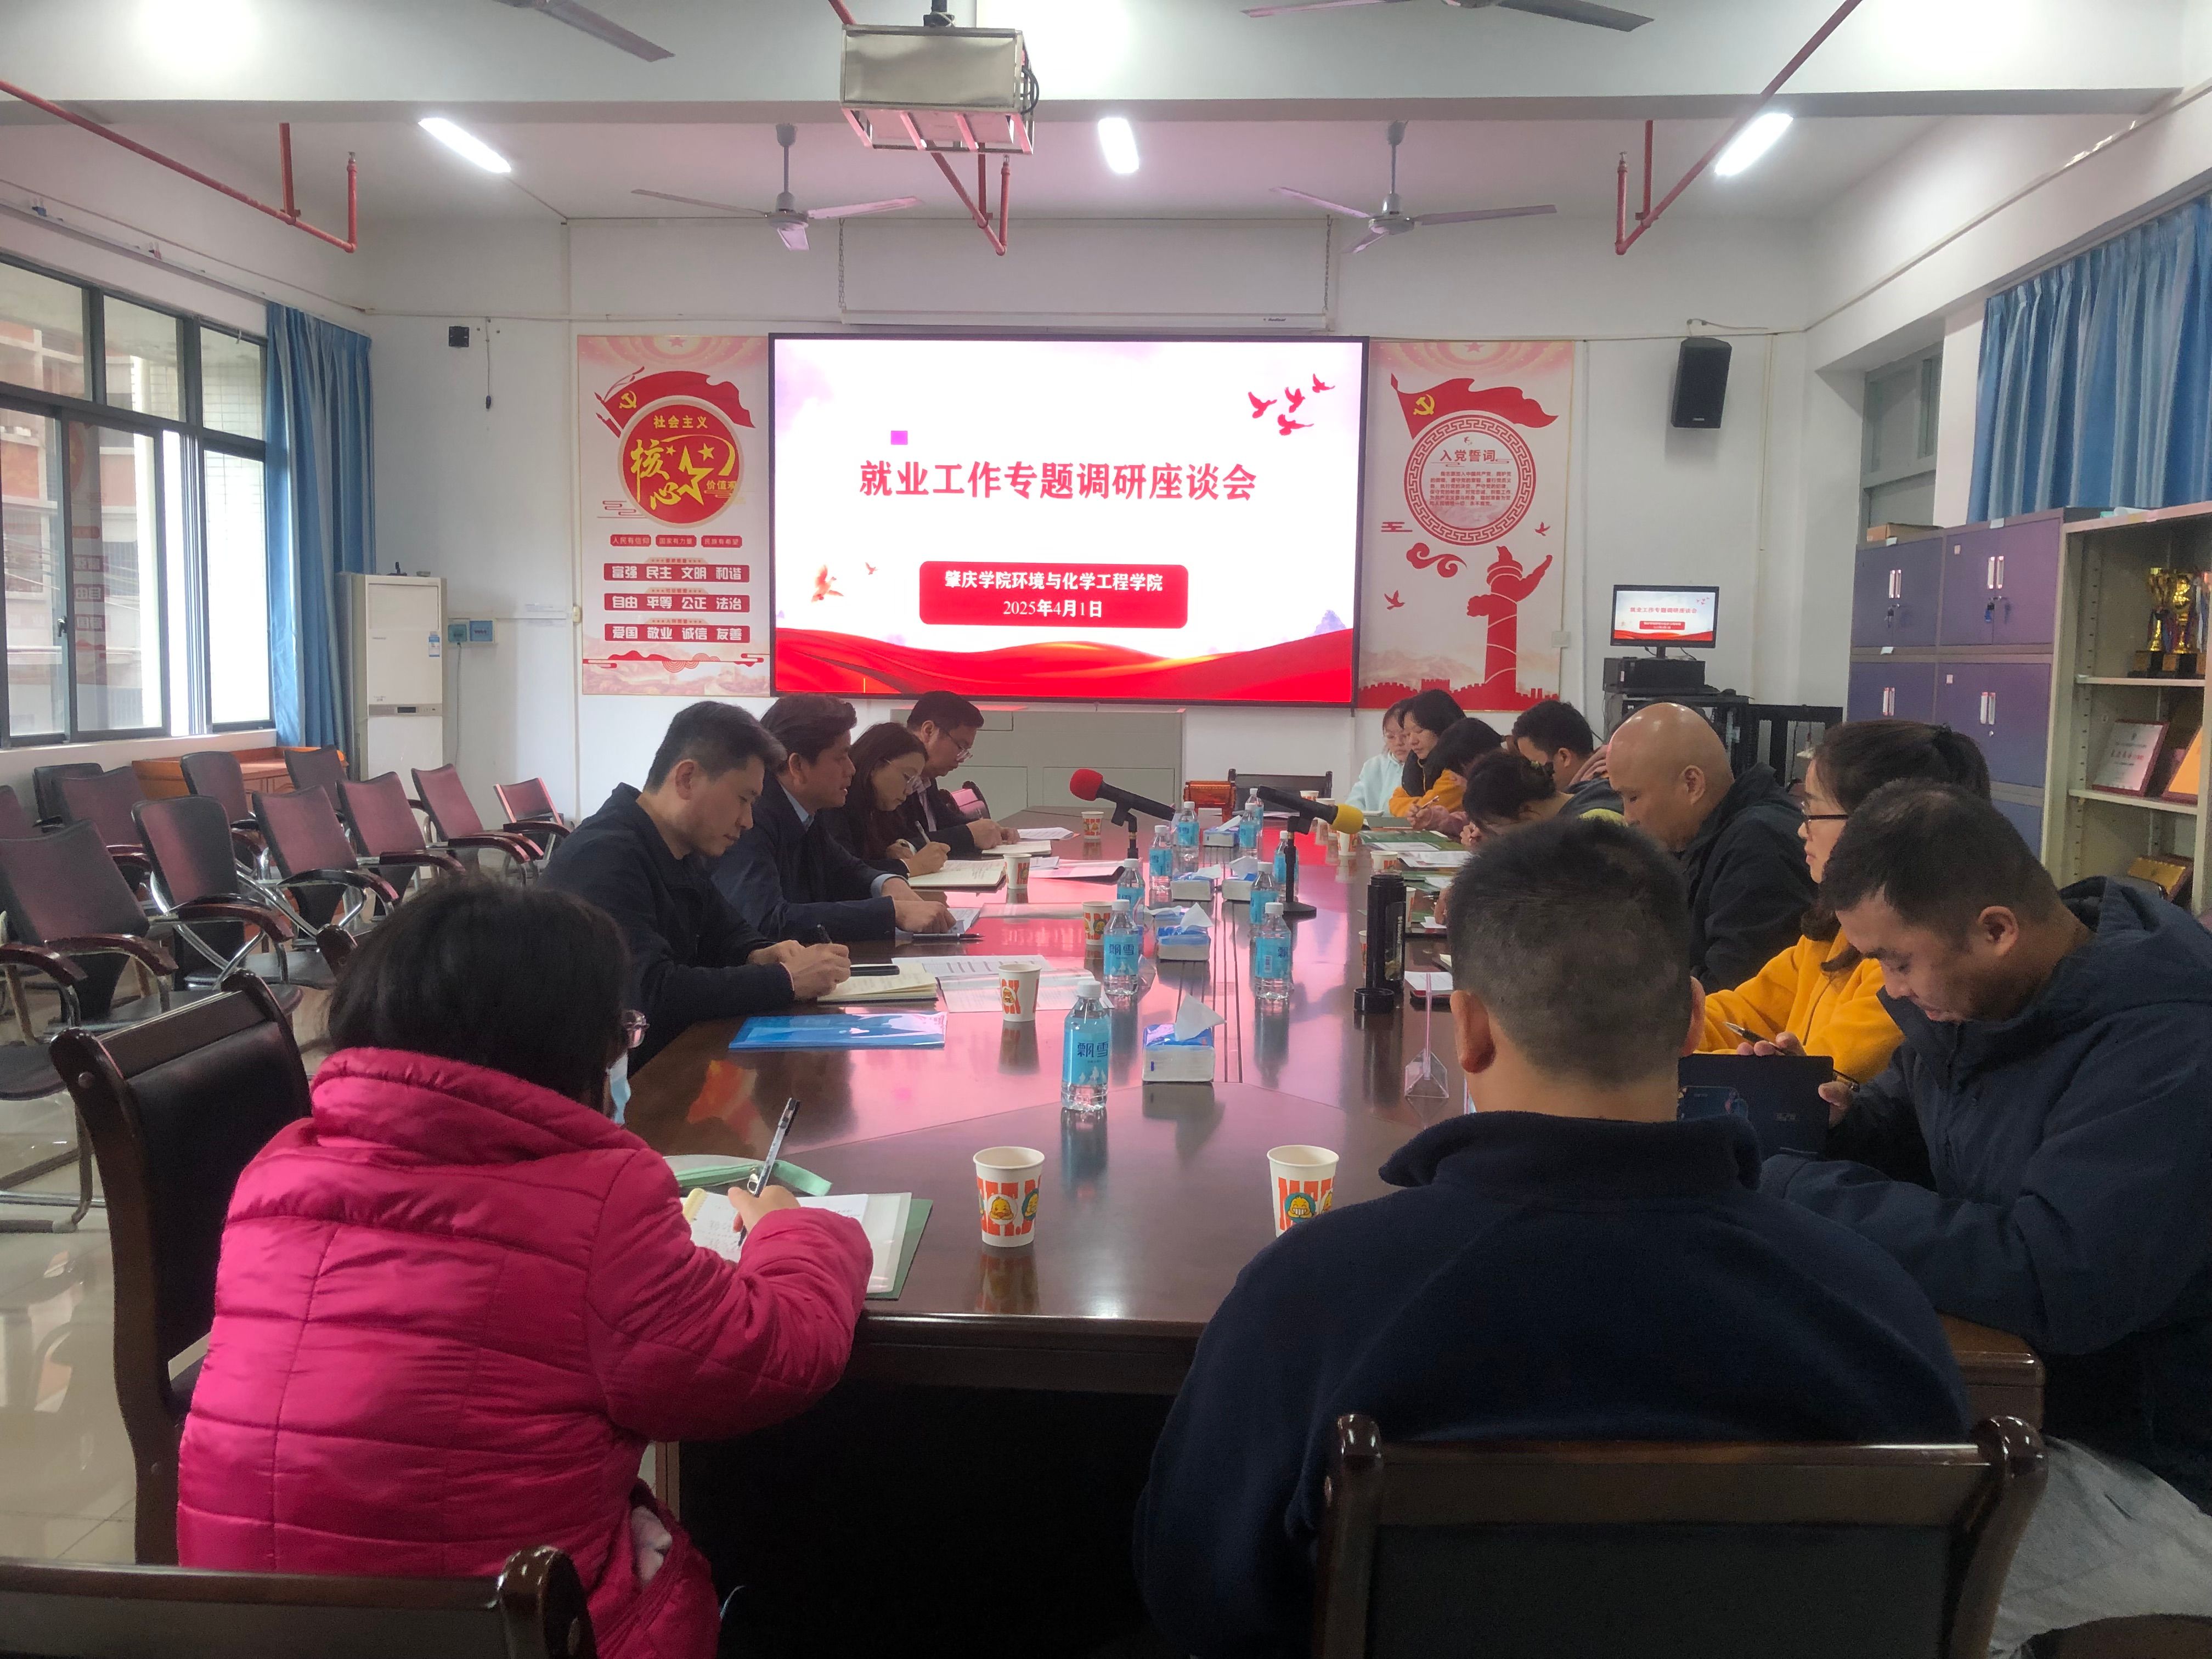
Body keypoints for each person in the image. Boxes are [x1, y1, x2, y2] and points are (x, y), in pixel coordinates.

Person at [1133, 817, 1970, 1659]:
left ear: (1468, 1027)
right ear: (1692, 1020)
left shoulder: (1312, 1297)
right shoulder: (1872, 1303)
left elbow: (1199, 1596)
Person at [177, 878, 872, 1659]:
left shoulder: (274, 1174)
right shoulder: (598, 1203)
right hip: (507, 1633)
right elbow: (775, 1356)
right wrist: (792, 1232)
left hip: (244, 1631)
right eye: (619, 1032)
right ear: (563, 1046)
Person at [1763, 783, 2212, 1652]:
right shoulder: (1987, 999)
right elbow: (1912, 1131)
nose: (1889, 986)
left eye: (1897, 961)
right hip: (2035, 1418)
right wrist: (1826, 1125)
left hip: (2158, 1468)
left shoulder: (2169, 1046)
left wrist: (1801, 1189)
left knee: (1846, 1596)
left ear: (1998, 928)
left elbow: (2058, 1278)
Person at [543, 701, 850, 1071]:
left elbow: (726, 932)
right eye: (743, 799)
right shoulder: (604, 857)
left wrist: (762, 953)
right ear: (687, 778)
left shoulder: (677, 847)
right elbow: (649, 994)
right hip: (601, 1083)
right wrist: (786, 980)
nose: (748, 821)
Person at [1697, 719, 1990, 1086]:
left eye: (1813, 812)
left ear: (1877, 826)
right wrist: (1666, 1030)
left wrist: (1660, 1063)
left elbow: (1823, 1073)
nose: (1802, 829)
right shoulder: (1832, 934)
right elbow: (1748, 1010)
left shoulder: (1909, 970)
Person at [1606, 701, 1813, 992]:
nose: (1628, 818)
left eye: (1634, 798)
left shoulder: (1758, 848)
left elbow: (1728, 993)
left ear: (1691, 784)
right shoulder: (1709, 839)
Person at [714, 693, 955, 943]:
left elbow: (844, 870)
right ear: (798, 766)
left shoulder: (807, 810)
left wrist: (887, 884)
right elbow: (767, 920)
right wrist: (892, 913)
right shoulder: (752, 818)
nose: (851, 768)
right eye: (840, 757)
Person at [825, 720, 950, 878]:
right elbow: (841, 871)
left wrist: (893, 851)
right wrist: (911, 866)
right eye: (907, 777)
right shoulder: (836, 804)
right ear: (876, 765)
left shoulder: (882, 807)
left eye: (914, 782)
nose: (909, 791)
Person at [901, 690, 1014, 855]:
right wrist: (969, 835)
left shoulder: (927, 775)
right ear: (929, 731)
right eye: (961, 746)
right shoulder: (893, 779)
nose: (961, 759)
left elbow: (943, 821)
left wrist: (990, 829)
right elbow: (901, 845)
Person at [1455, 747, 1626, 845]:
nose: (1497, 838)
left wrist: (1491, 854)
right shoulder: (1582, 793)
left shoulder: (1587, 828)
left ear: (1527, 811)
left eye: (1496, 830)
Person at [1510, 697, 1621, 818]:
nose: (1530, 775)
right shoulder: (1606, 780)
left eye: (1534, 765)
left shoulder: (1602, 801)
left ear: (1564, 757)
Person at [1406, 714, 1504, 834]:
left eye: (1458, 771)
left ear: (1479, 761)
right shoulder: (1486, 790)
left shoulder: (1510, 785)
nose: (1453, 778)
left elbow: (1504, 829)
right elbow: (1470, 820)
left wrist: (1485, 835)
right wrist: (1439, 820)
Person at [1385, 689, 1466, 818]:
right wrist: (1418, 804)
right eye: (1408, 734)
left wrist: (1415, 805)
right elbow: (1394, 801)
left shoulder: (1460, 767)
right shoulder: (1418, 763)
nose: (1412, 741)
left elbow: (1427, 810)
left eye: (1419, 731)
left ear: (1442, 727)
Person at [1345, 698, 1414, 816]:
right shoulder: (1373, 766)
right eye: (1391, 737)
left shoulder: (1424, 766)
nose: (1398, 742)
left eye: (1404, 736)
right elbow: (1353, 803)